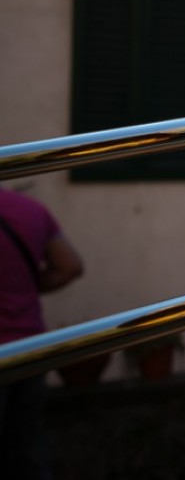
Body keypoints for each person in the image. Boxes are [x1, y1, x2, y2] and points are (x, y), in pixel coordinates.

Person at [0, 188, 84, 480]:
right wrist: (24, 290)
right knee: (26, 450)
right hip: (31, 348)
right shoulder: (30, 210)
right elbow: (70, 266)